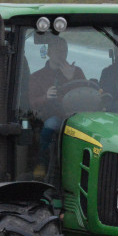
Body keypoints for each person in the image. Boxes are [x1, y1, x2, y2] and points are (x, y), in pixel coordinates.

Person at [27, 36, 85, 178]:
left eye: (64, 51)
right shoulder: (37, 77)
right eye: (58, 51)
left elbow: (87, 94)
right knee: (51, 125)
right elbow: (31, 103)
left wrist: (72, 78)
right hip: (52, 117)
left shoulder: (77, 72)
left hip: (77, 117)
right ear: (49, 53)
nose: (62, 54)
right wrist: (46, 97)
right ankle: (41, 164)